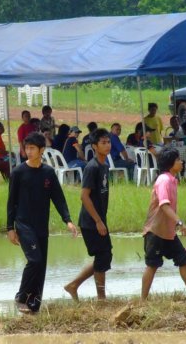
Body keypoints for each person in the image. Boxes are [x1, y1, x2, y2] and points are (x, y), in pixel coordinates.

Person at [6, 132, 78, 313]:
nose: (28, 151)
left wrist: (68, 220)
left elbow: (58, 198)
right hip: (23, 224)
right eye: (26, 148)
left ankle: (34, 304)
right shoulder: (18, 172)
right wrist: (10, 228)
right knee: (35, 260)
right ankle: (21, 296)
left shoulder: (48, 173)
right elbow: (11, 201)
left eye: (32, 148)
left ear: (42, 150)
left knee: (42, 265)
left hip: (41, 225)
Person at [141, 148, 186, 301]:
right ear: (170, 163)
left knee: (183, 259)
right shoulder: (164, 180)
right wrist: (180, 222)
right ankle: (142, 301)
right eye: (178, 160)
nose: (181, 162)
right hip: (156, 231)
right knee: (152, 265)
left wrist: (175, 224)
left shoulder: (172, 180)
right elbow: (164, 205)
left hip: (168, 232)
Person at [64, 128, 112, 301]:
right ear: (94, 146)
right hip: (91, 221)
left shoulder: (104, 165)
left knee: (104, 256)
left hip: (99, 219)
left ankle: (74, 285)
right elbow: (84, 196)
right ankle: (101, 298)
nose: (107, 145)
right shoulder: (92, 167)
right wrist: (98, 221)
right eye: (103, 143)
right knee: (102, 256)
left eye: (108, 142)